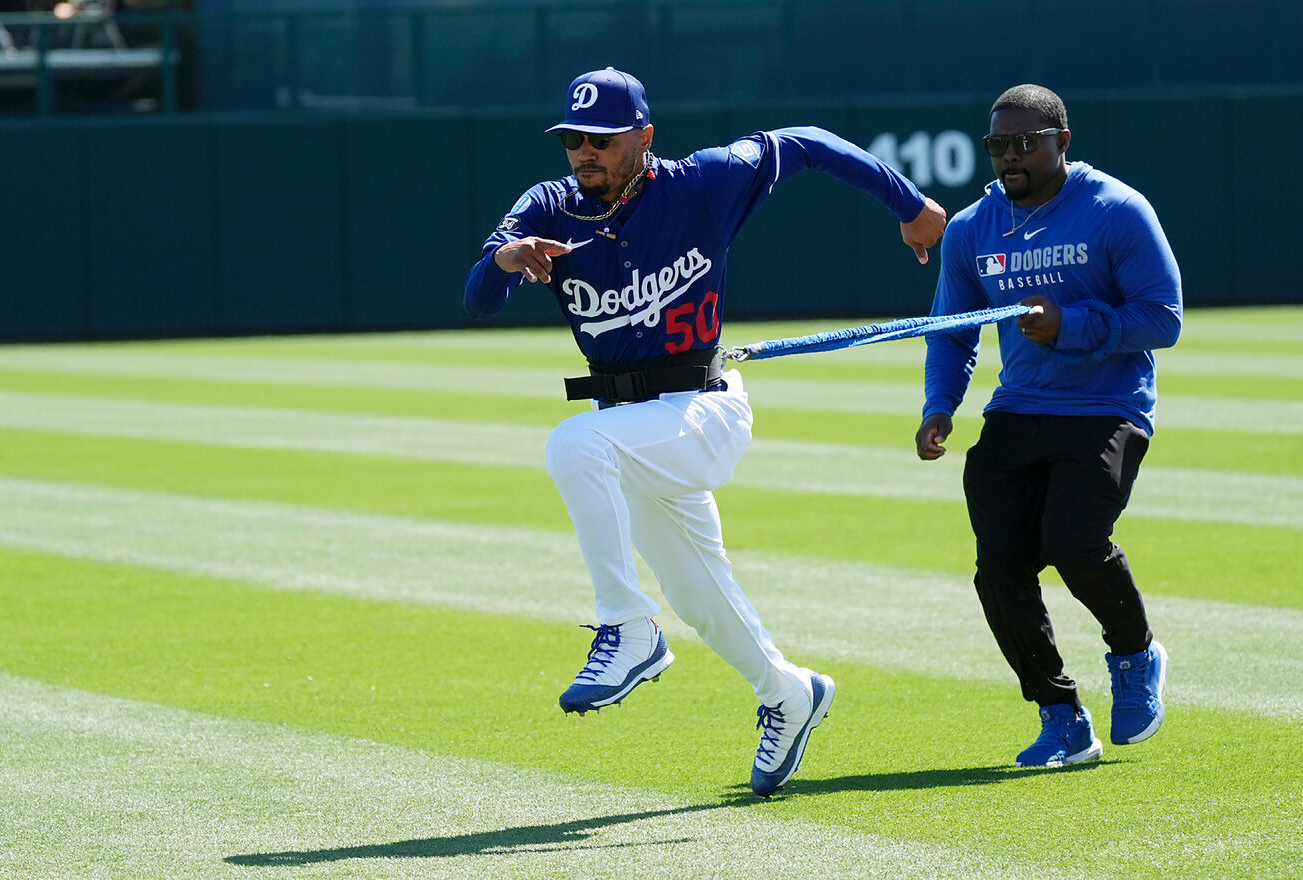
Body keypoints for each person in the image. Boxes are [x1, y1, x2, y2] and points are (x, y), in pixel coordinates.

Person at [465, 67, 947, 796]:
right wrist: (506, 258)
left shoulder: (704, 182)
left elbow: (808, 143)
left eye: (601, 138)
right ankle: (788, 691)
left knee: (571, 444)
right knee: (700, 597)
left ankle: (627, 627)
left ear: (645, 137)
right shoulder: (550, 207)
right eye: (573, 139)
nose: (583, 152)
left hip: (704, 410)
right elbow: (479, 295)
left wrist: (908, 205)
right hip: (631, 431)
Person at [915, 84, 1181, 768]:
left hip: (1106, 410)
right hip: (1019, 411)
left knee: (1074, 540)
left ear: (1062, 141)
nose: (1010, 156)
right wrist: (939, 406)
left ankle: (1135, 654)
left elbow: (1164, 317)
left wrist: (1071, 325)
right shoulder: (975, 228)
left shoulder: (1116, 211)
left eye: (1025, 142)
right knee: (998, 570)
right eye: (998, 144)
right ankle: (1061, 715)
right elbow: (953, 331)